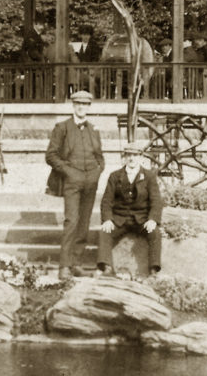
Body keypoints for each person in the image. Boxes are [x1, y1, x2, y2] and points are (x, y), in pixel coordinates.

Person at [46, 90, 104, 281]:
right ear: (73, 106)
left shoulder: (93, 129)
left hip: (90, 182)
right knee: (71, 221)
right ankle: (64, 266)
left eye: (85, 104)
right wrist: (69, 172)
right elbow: (51, 155)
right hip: (72, 181)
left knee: (84, 223)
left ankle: (76, 264)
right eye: (78, 104)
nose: (81, 107)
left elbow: (100, 157)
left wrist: (97, 172)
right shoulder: (62, 127)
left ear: (89, 107)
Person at [96, 142, 163, 277]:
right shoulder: (115, 176)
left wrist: (152, 219)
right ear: (124, 158)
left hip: (141, 220)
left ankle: (153, 270)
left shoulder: (149, 176)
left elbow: (156, 200)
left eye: (135, 155)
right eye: (129, 155)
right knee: (104, 232)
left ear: (141, 158)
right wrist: (107, 219)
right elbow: (107, 201)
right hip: (120, 219)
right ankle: (107, 268)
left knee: (155, 233)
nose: (132, 158)